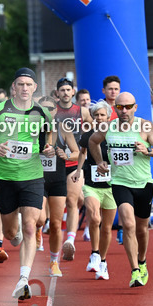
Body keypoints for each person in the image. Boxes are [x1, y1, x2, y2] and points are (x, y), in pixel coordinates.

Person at [0, 68, 56, 300]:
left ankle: (23, 279)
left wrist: (48, 148)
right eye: (20, 84)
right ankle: (14, 231)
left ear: (34, 88)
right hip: (5, 177)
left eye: (28, 85)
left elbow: (49, 134)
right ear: (13, 87)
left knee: (31, 226)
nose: (24, 88)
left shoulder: (42, 112)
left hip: (32, 175)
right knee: (11, 233)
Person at [89, 92, 153, 287]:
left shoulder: (145, 126)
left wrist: (148, 151)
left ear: (135, 107)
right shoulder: (108, 127)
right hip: (120, 182)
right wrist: (100, 161)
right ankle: (134, 270)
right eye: (119, 107)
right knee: (128, 224)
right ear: (114, 108)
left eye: (128, 106)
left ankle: (142, 261)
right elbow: (93, 141)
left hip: (143, 184)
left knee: (142, 228)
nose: (123, 110)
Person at [73, 101, 116, 280]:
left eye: (102, 115)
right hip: (91, 184)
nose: (99, 118)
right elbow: (82, 152)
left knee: (107, 228)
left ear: (108, 117)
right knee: (94, 216)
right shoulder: (87, 135)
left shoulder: (115, 135)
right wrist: (78, 170)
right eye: (96, 115)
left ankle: (103, 262)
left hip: (111, 187)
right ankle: (95, 253)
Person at [37, 96, 79, 278]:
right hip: (36, 180)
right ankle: (37, 231)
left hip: (57, 180)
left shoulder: (63, 130)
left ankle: (54, 262)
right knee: (39, 219)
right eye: (43, 109)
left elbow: (76, 153)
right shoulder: (31, 130)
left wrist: (65, 155)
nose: (47, 112)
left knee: (55, 224)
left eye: (50, 109)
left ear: (55, 111)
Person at [54, 78, 84, 261]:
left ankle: (71, 240)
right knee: (55, 207)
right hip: (53, 166)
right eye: (62, 90)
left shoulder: (82, 112)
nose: (65, 93)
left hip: (74, 162)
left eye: (68, 89)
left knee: (72, 201)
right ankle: (45, 228)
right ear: (57, 93)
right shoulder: (51, 112)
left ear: (73, 92)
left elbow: (97, 127)